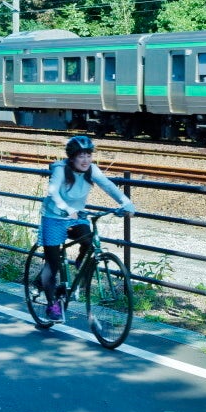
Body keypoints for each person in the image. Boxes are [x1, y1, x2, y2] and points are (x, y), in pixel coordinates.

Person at [37, 134, 136, 322]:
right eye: (81, 156)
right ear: (72, 157)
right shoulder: (60, 170)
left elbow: (109, 186)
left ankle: (80, 263)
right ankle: (52, 305)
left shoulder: (92, 170)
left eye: (89, 155)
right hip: (54, 217)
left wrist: (126, 202)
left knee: (90, 242)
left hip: (76, 217)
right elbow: (53, 192)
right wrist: (66, 209)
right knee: (53, 263)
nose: (86, 160)